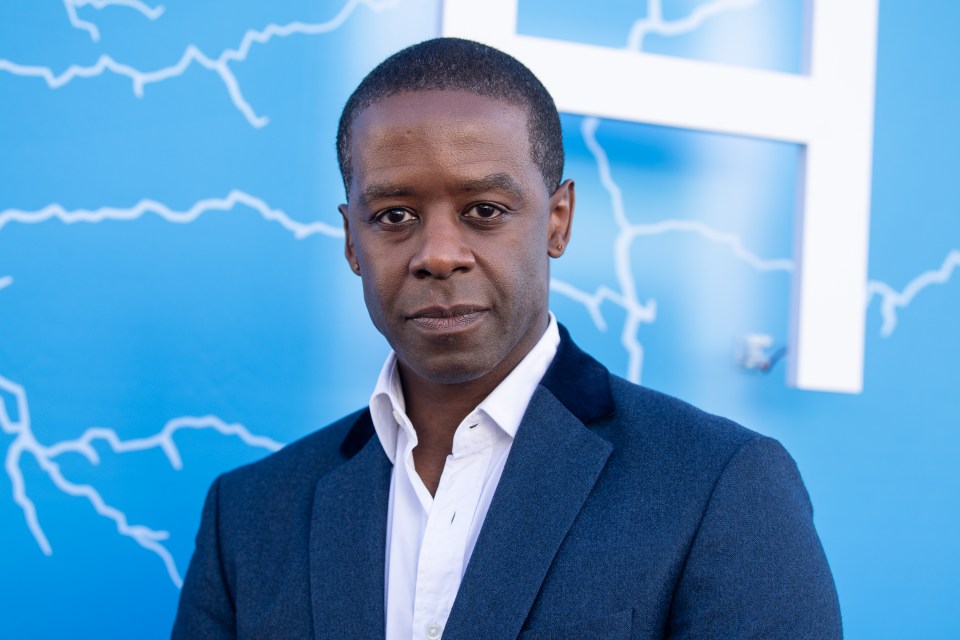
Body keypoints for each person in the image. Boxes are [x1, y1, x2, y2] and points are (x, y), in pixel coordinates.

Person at [172, 37, 842, 639]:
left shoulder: (717, 485)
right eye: (394, 215)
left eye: (483, 211)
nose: (438, 253)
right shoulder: (251, 515)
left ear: (557, 220)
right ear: (352, 239)